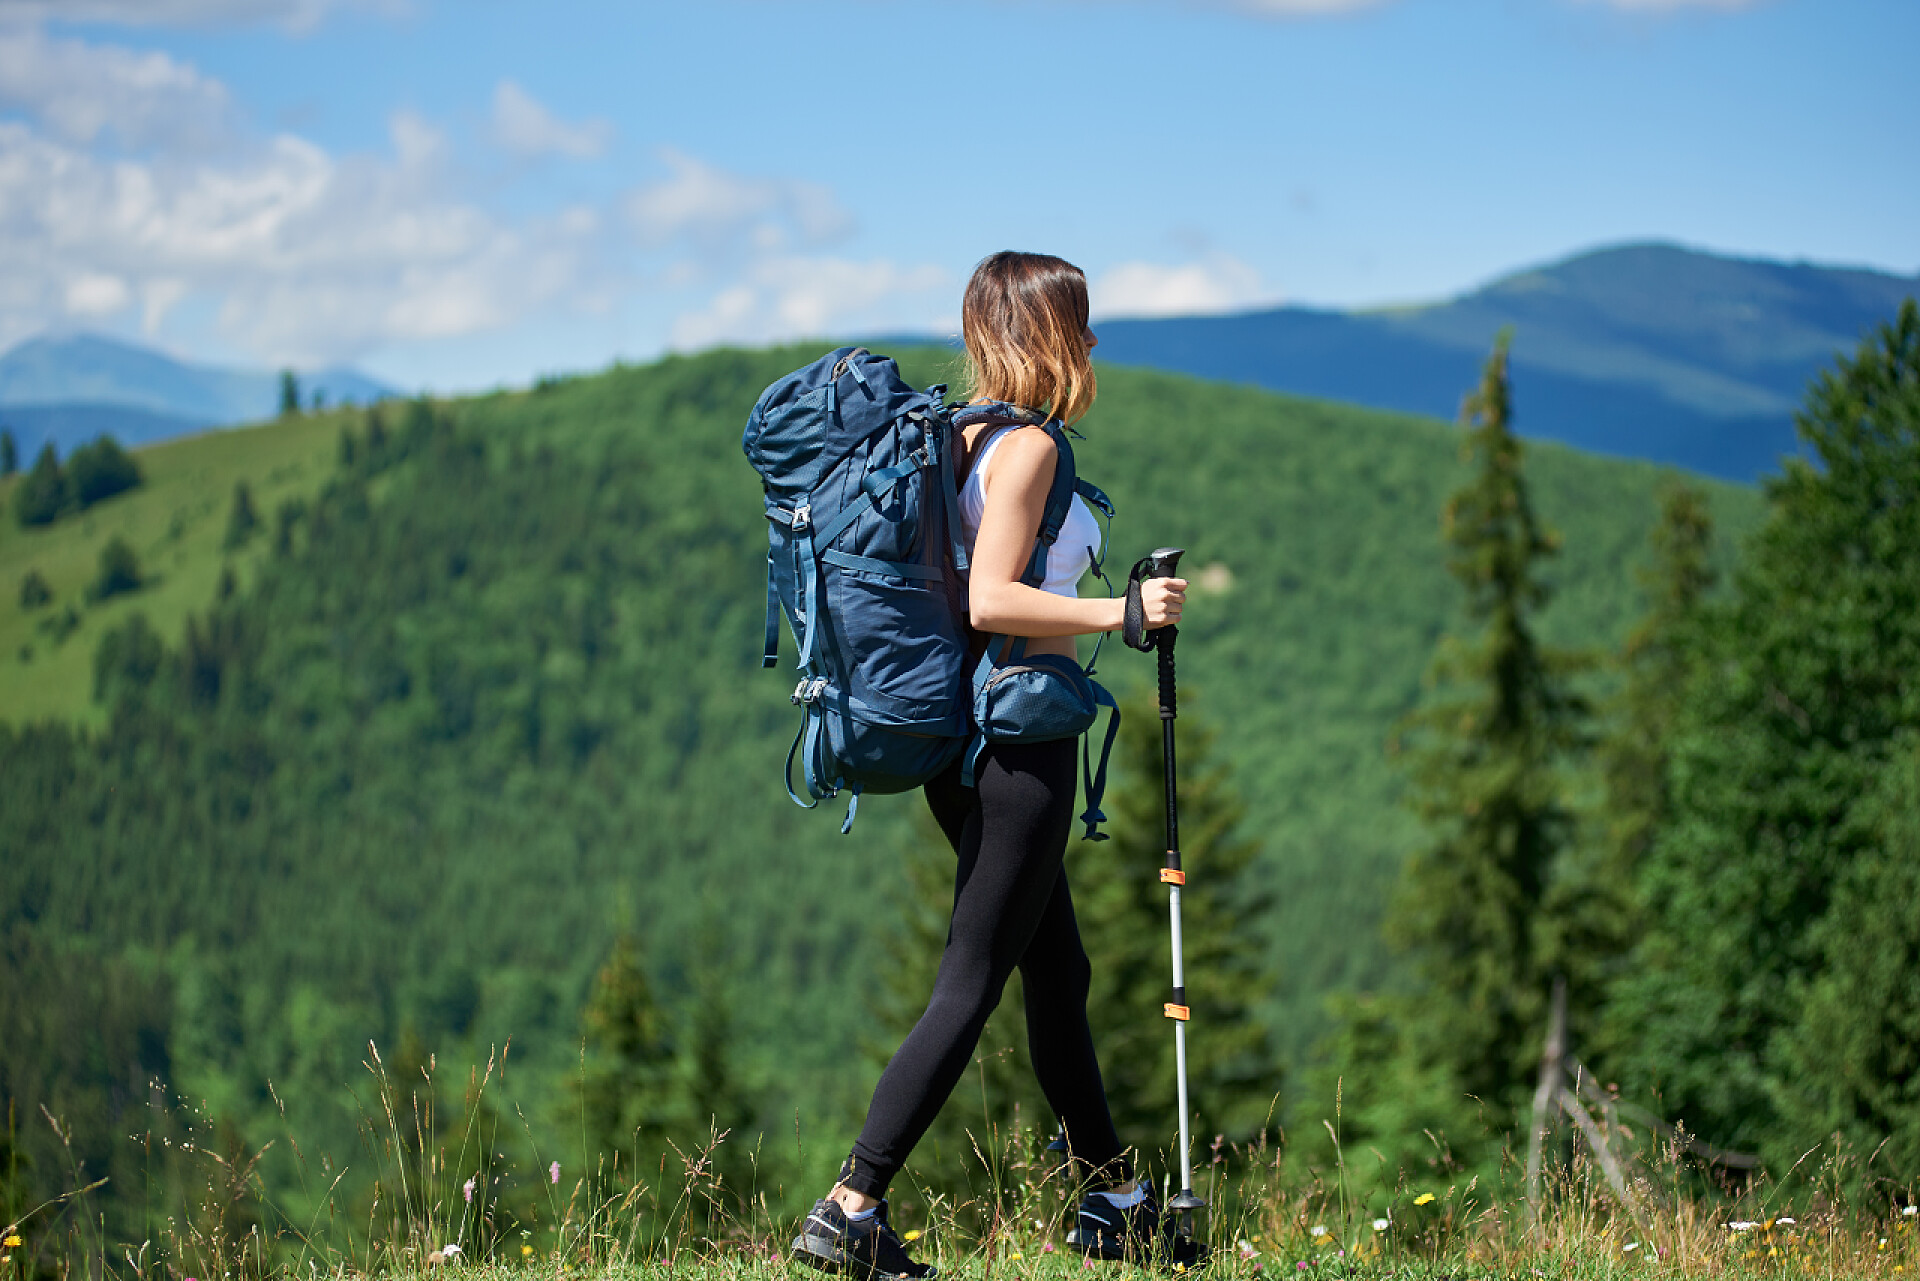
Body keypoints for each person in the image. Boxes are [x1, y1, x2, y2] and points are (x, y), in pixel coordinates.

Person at [790, 252, 1188, 1279]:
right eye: (1081, 327)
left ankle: (1118, 1200)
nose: (1094, 347)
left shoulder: (954, 438)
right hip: (1018, 742)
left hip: (958, 746)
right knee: (971, 983)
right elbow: (991, 601)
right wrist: (1123, 614)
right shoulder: (1027, 452)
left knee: (1058, 969)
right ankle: (850, 1205)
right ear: (1046, 335)